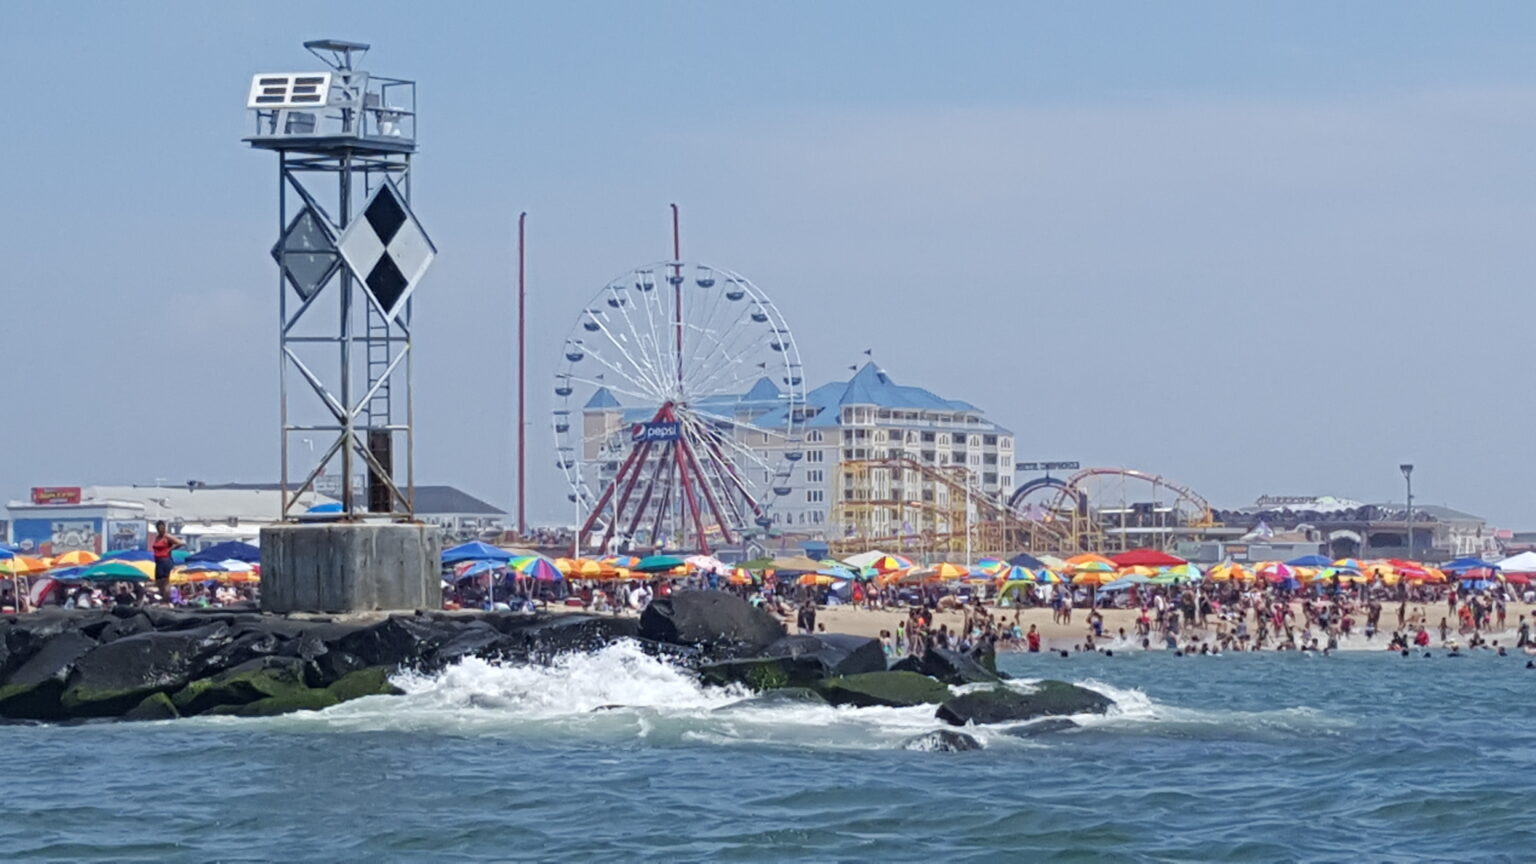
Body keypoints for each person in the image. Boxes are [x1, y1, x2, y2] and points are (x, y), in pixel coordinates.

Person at [150, 520, 183, 603]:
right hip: (158, 561)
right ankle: (164, 598)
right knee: (158, 582)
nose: (161, 529)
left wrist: (170, 549)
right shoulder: (157, 538)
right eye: (159, 528)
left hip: (165, 560)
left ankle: (166, 601)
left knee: (165, 582)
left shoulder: (167, 536)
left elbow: (180, 543)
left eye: (162, 527)